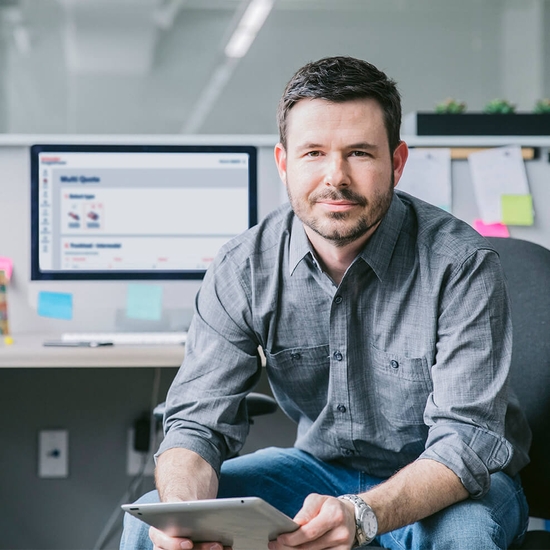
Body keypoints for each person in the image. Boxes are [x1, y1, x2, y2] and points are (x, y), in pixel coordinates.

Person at [120, 56, 531, 550]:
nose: (335, 177)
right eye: (314, 153)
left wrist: (364, 514)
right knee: (151, 527)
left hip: (447, 482)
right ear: (283, 162)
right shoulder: (243, 268)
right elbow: (195, 423)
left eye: (359, 153)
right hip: (317, 472)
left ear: (397, 162)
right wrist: (185, 515)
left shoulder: (460, 264)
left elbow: (466, 442)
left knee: (463, 539)